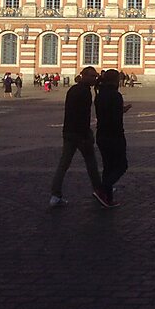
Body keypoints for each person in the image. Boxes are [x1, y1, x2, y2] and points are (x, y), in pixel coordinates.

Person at [50, 66, 105, 207]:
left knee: (63, 164)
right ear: (84, 76)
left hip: (69, 132)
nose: (95, 79)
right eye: (92, 76)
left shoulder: (74, 89)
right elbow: (82, 115)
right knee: (91, 163)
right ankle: (99, 190)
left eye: (95, 76)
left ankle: (55, 195)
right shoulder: (84, 92)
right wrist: (86, 133)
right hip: (80, 134)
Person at [94, 69, 131, 208]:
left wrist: (121, 110)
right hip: (114, 135)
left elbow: (105, 113)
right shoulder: (116, 95)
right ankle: (102, 189)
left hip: (101, 134)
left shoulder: (99, 95)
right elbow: (114, 118)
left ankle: (108, 199)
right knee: (122, 165)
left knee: (108, 167)